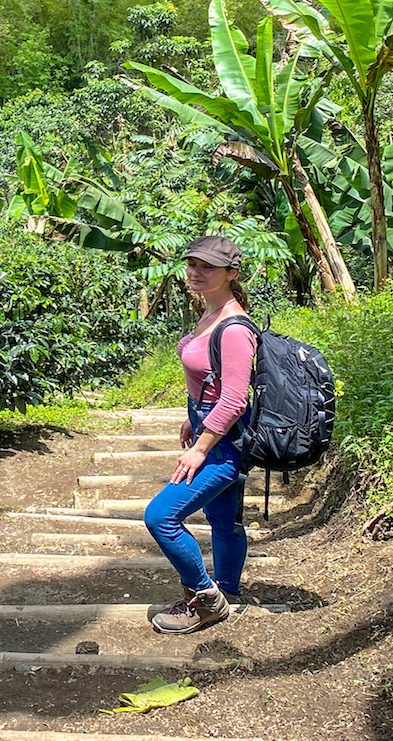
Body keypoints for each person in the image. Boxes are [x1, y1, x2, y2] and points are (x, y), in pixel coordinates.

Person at [143, 234, 258, 635]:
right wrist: (194, 415)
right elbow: (212, 378)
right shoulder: (210, 314)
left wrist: (200, 448)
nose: (195, 272)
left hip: (223, 444)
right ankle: (227, 591)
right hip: (210, 427)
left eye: (207, 267)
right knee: (223, 521)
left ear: (231, 273)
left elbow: (234, 400)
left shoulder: (234, 327)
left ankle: (205, 598)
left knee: (161, 516)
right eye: (192, 263)